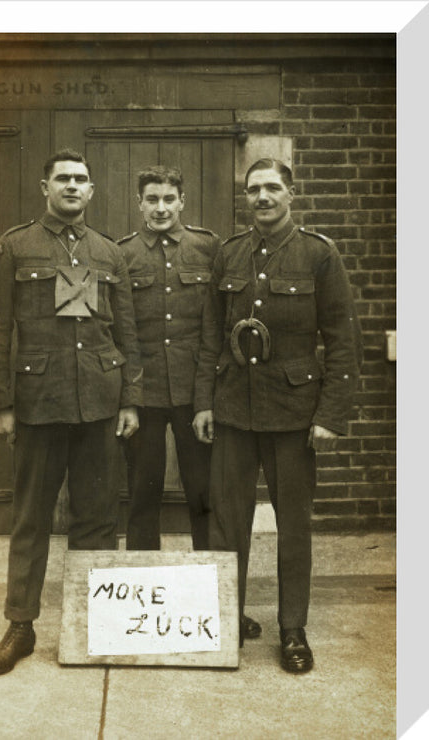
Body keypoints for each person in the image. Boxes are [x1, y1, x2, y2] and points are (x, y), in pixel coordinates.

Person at [0, 149, 142, 675]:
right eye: (63, 179)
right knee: (30, 518)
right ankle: (21, 625)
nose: (73, 187)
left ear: (92, 191)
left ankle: (94, 623)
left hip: (97, 403)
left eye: (82, 180)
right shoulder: (14, 247)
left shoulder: (108, 253)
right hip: (38, 405)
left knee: (96, 518)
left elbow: (127, 333)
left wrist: (130, 399)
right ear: (45, 186)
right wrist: (0, 403)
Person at [193, 158, 363, 669]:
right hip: (232, 412)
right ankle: (226, 622)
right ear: (246, 198)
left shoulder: (318, 254)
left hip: (294, 415)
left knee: (293, 526)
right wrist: (204, 401)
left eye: (272, 188)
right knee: (227, 524)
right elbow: (209, 337)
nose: (262, 197)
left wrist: (331, 414)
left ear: (291, 194)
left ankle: (293, 631)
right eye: (253, 190)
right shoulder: (229, 254)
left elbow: (342, 340)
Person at [118, 165, 262, 643]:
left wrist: (205, 403)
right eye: (152, 199)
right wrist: (131, 402)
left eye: (169, 198)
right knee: (142, 498)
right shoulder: (123, 254)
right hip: (143, 398)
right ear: (139, 204)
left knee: (206, 499)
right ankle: (139, 613)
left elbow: (213, 332)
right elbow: (125, 335)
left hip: (195, 399)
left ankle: (215, 606)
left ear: (183, 202)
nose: (160, 208)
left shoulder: (208, 248)